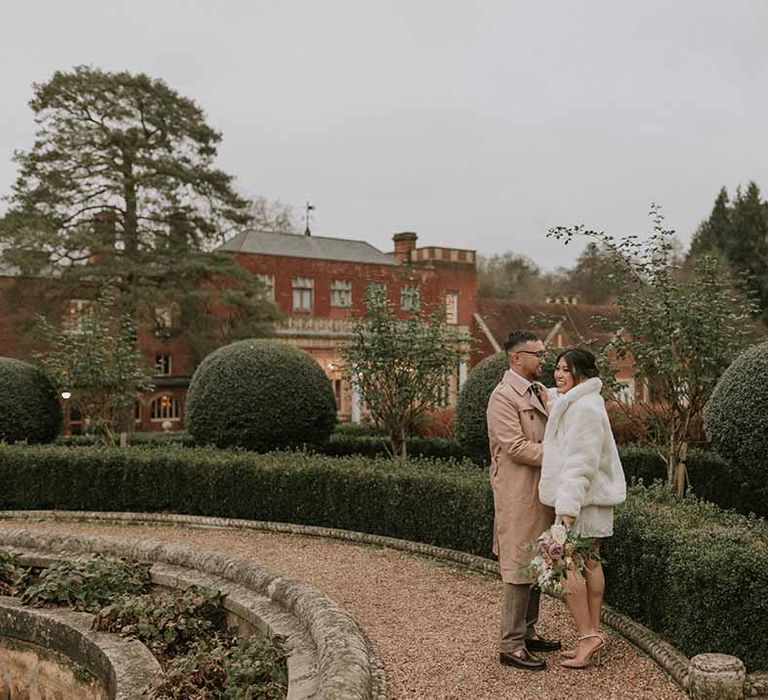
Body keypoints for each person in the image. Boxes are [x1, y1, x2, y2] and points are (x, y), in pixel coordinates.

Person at [538, 348, 627, 669]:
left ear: (581, 373)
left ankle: (588, 636)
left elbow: (581, 463)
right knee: (590, 563)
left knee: (566, 566)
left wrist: (567, 509)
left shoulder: (584, 409)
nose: (558, 375)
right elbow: (555, 399)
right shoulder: (584, 402)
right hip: (591, 501)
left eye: (565, 370)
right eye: (557, 369)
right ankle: (592, 633)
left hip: (580, 503)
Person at [486, 330, 560, 671]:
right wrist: (560, 455)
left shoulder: (540, 391)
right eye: (538, 354)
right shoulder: (502, 398)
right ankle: (510, 644)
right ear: (516, 358)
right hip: (518, 493)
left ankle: (528, 631)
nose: (543, 360)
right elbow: (514, 446)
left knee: (538, 563)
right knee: (518, 566)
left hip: (542, 490)